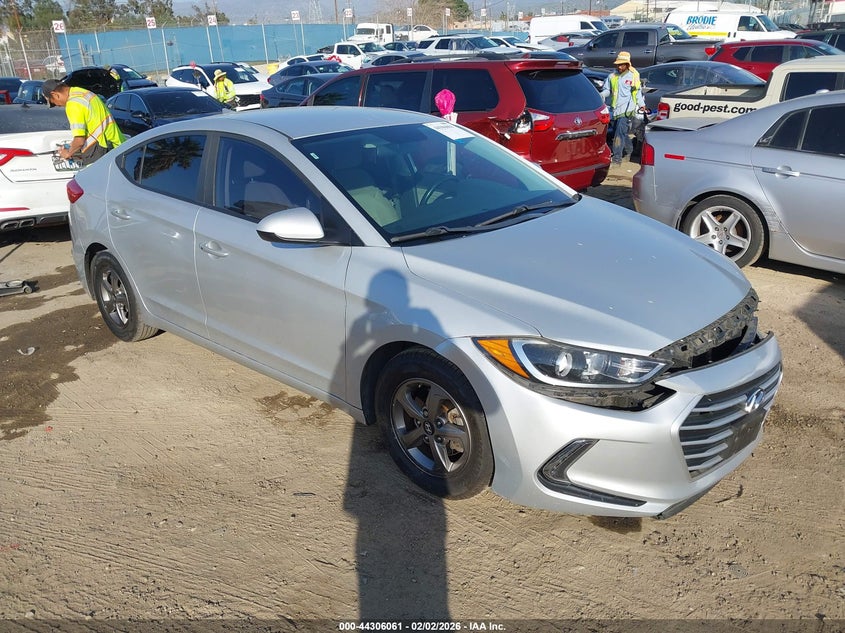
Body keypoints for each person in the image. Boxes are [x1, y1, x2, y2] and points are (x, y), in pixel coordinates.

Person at [41, 78, 125, 166]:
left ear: (55, 95)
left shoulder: (72, 105)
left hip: (101, 153)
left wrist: (67, 153)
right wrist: (70, 146)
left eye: (53, 103)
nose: (58, 105)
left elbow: (79, 140)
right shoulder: (84, 93)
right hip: (116, 146)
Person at [600, 51, 646, 165]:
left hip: (627, 110)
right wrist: (601, 95)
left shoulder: (633, 76)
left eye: (622, 64)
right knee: (621, 132)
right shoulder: (612, 76)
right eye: (618, 64)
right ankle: (630, 150)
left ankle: (617, 159)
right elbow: (607, 90)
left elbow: (637, 92)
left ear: (627, 64)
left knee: (618, 134)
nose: (619, 67)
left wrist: (641, 105)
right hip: (615, 109)